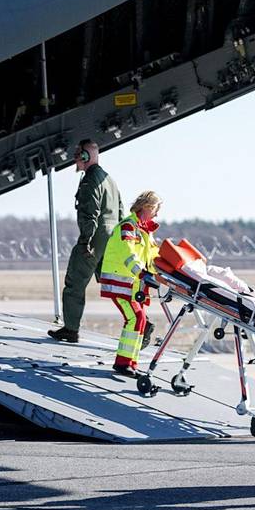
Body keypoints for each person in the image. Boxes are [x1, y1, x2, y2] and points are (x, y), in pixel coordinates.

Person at [49, 139, 123, 343]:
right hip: (111, 237)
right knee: (114, 284)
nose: (75, 159)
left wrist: (85, 241)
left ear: (85, 156)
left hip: (96, 237)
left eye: (78, 155)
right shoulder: (109, 180)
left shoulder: (90, 180)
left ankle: (71, 329)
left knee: (75, 281)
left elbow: (89, 213)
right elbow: (120, 211)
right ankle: (141, 322)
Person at [98, 191, 162, 375]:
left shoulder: (145, 232)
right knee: (136, 318)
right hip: (121, 284)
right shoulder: (128, 227)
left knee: (140, 322)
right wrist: (141, 273)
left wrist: (165, 273)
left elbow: (152, 258)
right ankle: (122, 363)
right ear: (147, 207)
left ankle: (131, 363)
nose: (157, 214)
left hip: (134, 286)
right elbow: (128, 254)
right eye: (156, 209)